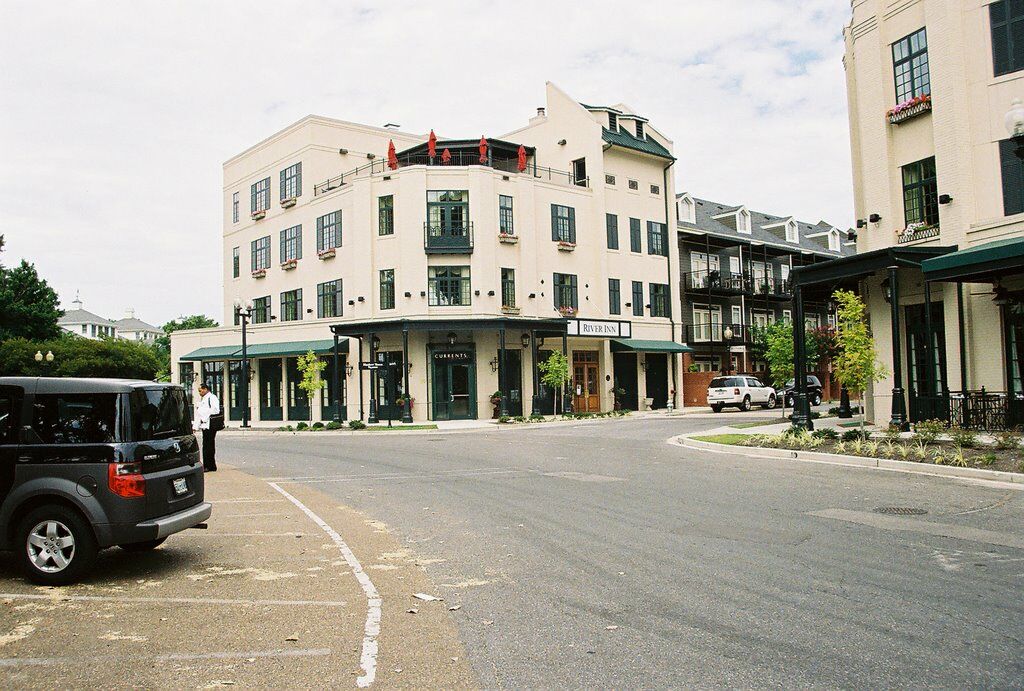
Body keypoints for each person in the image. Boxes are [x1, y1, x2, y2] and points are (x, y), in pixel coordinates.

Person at [193, 381, 220, 472]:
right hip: (205, 425)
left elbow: (216, 410)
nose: (200, 393)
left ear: (205, 389)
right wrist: (195, 426)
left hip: (210, 425)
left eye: (200, 391)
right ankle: (210, 465)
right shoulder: (204, 399)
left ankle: (209, 465)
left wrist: (203, 411)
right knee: (207, 445)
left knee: (208, 446)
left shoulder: (212, 398)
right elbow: (198, 414)